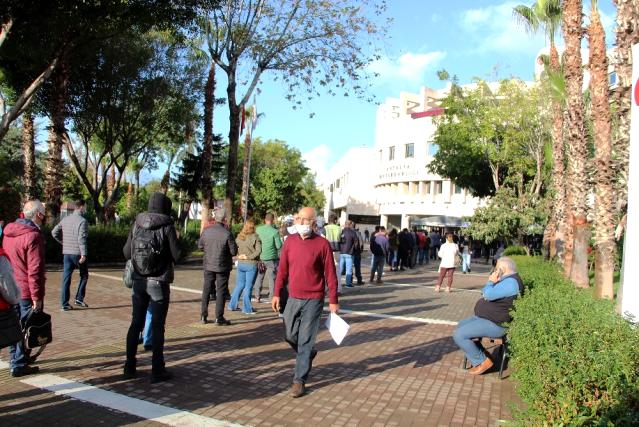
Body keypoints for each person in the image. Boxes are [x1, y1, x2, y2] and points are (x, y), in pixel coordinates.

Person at [272, 207, 339, 398]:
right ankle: (307, 353)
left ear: (314, 223)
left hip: (314, 299)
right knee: (290, 335)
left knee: (306, 339)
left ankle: (299, 380)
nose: (300, 223)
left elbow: (330, 275)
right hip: (293, 297)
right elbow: (282, 270)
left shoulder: (322, 244)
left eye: (305, 220)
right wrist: (277, 293)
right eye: (298, 219)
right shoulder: (290, 242)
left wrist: (333, 300)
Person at [123, 192, 180, 383]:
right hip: (159, 282)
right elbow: (177, 255)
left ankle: (129, 366)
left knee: (135, 324)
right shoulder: (167, 226)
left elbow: (125, 252)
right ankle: (157, 369)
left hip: (138, 281)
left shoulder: (137, 223)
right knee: (157, 326)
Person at [453, 257, 524, 375]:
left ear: (503, 269)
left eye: (496, 269)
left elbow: (488, 294)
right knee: (461, 326)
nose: (494, 271)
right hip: (490, 319)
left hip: (497, 324)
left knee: (459, 335)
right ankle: (484, 356)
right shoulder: (508, 280)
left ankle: (482, 361)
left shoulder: (511, 283)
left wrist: (490, 281)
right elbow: (485, 293)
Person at [2, 200, 47, 377]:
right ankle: (20, 363)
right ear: (38, 215)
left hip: (11, 288)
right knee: (27, 327)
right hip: (27, 290)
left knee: (15, 326)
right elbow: (34, 270)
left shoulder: (8, 233)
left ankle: (15, 358)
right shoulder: (33, 236)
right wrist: (37, 297)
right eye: (43, 213)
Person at [198, 208, 237, 326]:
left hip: (209, 264)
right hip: (222, 266)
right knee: (221, 291)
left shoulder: (206, 231)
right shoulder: (227, 233)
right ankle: (218, 317)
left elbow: (200, 246)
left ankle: (203, 316)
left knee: (206, 290)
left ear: (215, 218)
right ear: (224, 219)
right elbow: (234, 251)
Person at [52, 199, 89, 310]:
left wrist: (63, 242)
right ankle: (79, 298)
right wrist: (83, 254)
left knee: (66, 278)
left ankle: (64, 304)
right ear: (81, 207)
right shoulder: (82, 221)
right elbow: (81, 238)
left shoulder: (65, 219)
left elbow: (54, 232)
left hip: (67, 253)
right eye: (85, 206)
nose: (85, 208)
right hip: (77, 253)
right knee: (84, 275)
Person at [229, 220, 261, 315]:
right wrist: (249, 257)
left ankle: (232, 305)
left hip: (241, 264)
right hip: (251, 264)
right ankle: (247, 309)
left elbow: (234, 249)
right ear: (253, 227)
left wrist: (239, 256)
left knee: (239, 285)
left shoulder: (239, 237)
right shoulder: (255, 237)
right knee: (248, 287)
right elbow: (259, 251)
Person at [254, 213, 282, 303]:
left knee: (259, 277)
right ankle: (271, 297)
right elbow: (279, 246)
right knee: (272, 279)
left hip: (261, 257)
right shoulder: (275, 232)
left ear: (265, 220)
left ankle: (257, 296)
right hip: (271, 258)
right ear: (272, 220)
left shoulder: (258, 229)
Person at [338, 220, 359, 289]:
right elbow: (356, 243)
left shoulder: (341, 232)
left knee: (340, 269)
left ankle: (337, 283)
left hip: (341, 252)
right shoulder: (353, 233)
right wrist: (354, 249)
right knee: (348, 269)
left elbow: (338, 241)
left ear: (345, 224)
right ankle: (347, 284)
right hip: (349, 253)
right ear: (350, 225)